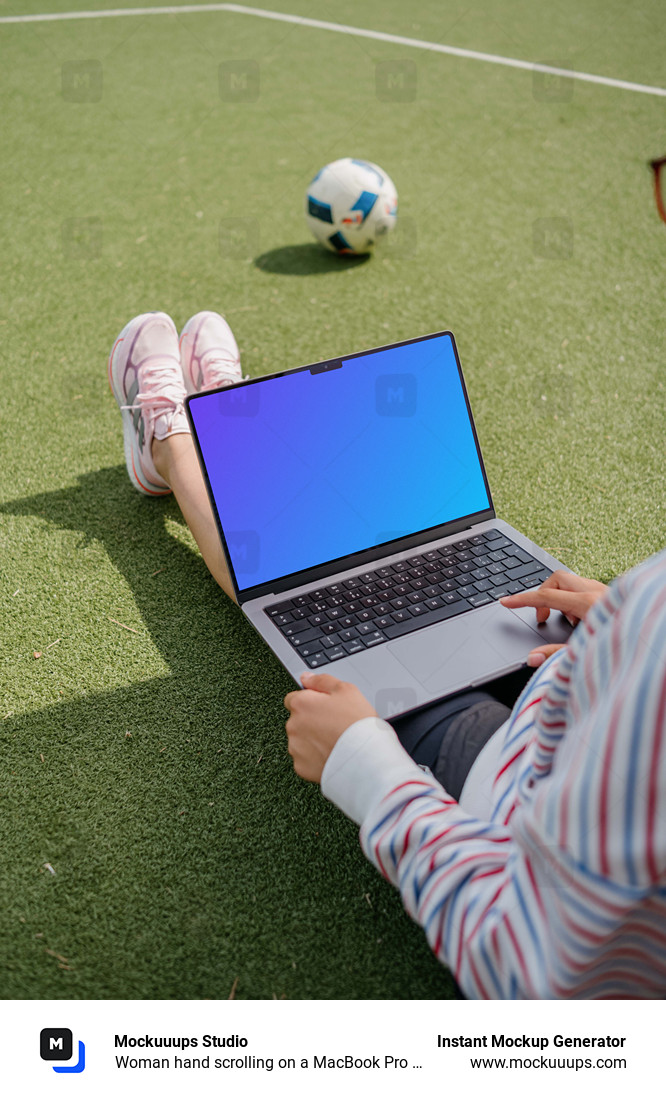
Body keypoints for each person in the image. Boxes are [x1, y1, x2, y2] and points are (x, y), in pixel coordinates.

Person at [110, 310, 666, 999]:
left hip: (517, 774)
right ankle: (221, 434)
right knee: (325, 574)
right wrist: (631, 630)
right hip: (572, 684)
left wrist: (363, 768)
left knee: (287, 584)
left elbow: (537, 972)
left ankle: (174, 442)